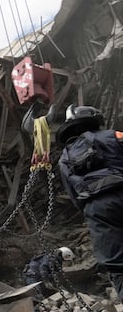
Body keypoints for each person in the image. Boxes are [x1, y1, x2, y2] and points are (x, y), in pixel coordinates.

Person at [57, 104, 123, 301]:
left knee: (117, 265)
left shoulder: (64, 158)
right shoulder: (115, 135)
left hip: (96, 208)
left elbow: (74, 195)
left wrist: (92, 210)